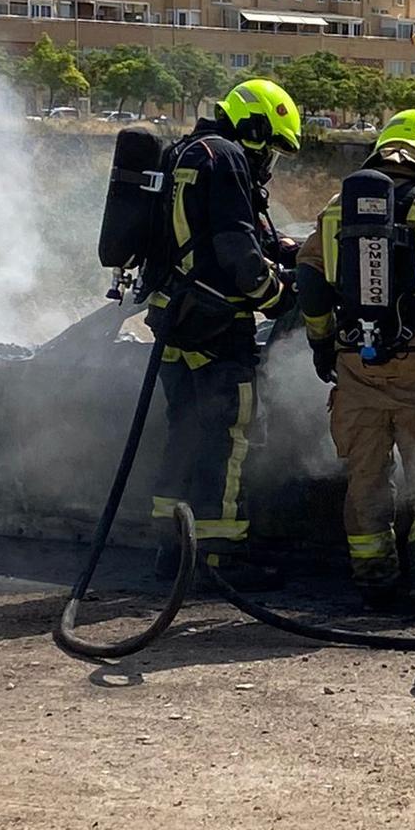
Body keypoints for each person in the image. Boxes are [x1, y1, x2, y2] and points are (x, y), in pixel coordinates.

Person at [295, 109, 415, 617]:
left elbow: (309, 281)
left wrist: (321, 343)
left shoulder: (337, 210)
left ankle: (373, 577)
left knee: (367, 478)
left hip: (356, 367)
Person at [145, 79, 304, 590]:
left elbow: (236, 233)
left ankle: (171, 552)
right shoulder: (230, 156)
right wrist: (279, 297)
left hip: (175, 320)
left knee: (185, 435)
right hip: (217, 328)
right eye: (272, 147)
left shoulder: (187, 153)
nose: (270, 162)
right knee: (229, 441)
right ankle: (221, 559)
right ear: (255, 128)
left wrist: (290, 250)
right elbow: (237, 251)